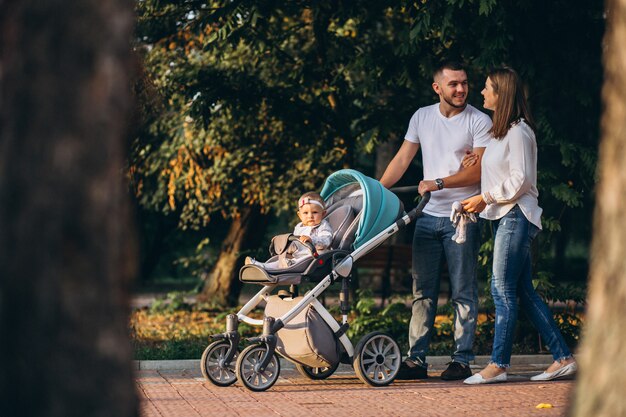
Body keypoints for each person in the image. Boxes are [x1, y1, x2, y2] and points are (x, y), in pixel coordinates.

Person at [460, 67, 577, 384]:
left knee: (501, 291)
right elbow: (504, 171)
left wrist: (485, 197)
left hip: (516, 215)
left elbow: (521, 179)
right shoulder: (501, 134)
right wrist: (478, 162)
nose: (482, 93)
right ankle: (563, 357)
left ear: (502, 94)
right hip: (505, 216)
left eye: (487, 88)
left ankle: (498, 365)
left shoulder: (520, 132)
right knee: (523, 291)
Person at [379, 60, 493, 380]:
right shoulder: (422, 116)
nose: (461, 89)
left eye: (464, 83)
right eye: (453, 84)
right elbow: (402, 158)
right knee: (422, 292)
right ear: (437, 87)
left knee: (464, 291)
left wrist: (439, 182)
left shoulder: (479, 121)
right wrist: (375, 192)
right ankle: (416, 360)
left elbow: (479, 170)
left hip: (463, 217)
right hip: (427, 217)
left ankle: (462, 359)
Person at [246, 191, 333, 268]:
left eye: (315, 212)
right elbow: (295, 242)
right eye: (305, 213)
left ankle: (289, 264)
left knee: (320, 253)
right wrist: (283, 242)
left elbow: (326, 240)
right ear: (299, 215)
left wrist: (312, 240)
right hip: (297, 256)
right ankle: (262, 266)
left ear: (323, 214)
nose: (310, 216)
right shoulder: (299, 227)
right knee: (279, 261)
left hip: (314, 258)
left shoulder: (323, 226)